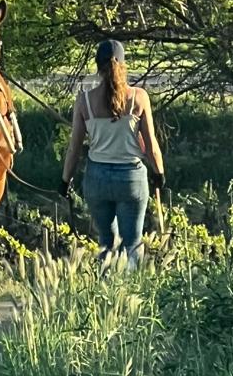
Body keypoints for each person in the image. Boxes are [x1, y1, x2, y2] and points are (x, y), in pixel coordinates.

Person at [61, 39, 165, 269]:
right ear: (123, 64)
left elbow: (74, 148)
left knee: (106, 243)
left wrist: (65, 180)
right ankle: (130, 294)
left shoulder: (84, 100)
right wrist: (159, 174)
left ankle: (104, 293)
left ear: (97, 66)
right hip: (131, 179)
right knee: (132, 244)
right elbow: (151, 145)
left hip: (97, 178)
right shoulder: (138, 97)